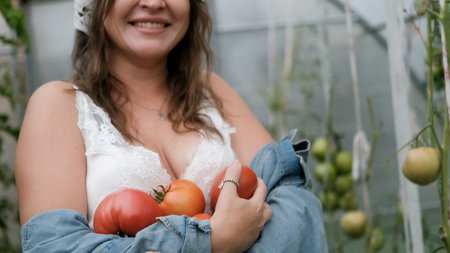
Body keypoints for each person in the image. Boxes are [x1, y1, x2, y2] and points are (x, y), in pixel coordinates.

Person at [15, 0, 327, 252]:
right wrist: (212, 241)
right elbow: (55, 246)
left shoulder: (213, 90)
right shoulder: (58, 104)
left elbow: (292, 201)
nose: (153, 3)